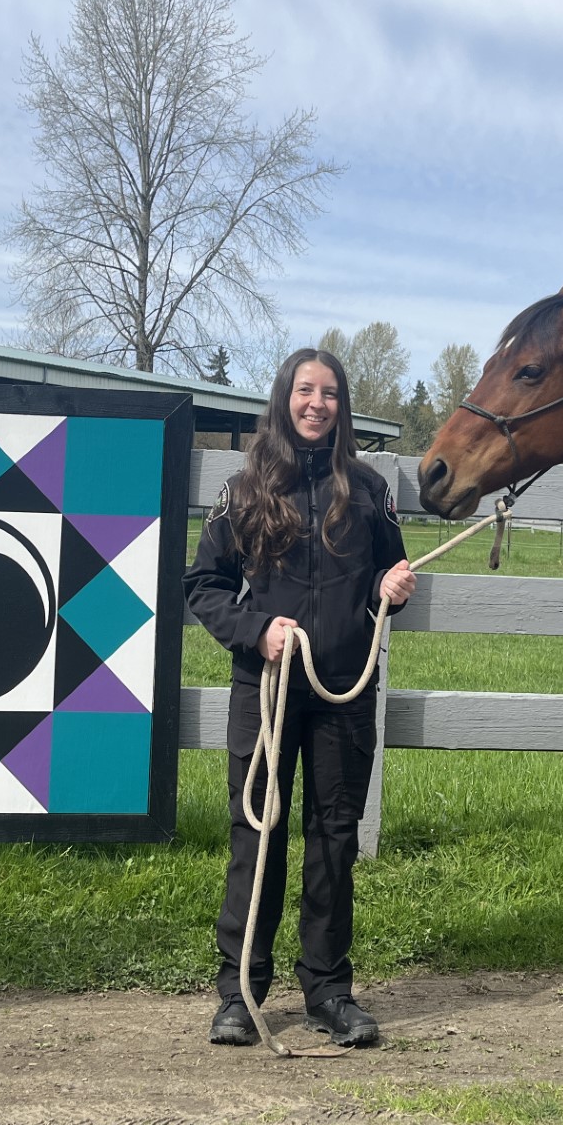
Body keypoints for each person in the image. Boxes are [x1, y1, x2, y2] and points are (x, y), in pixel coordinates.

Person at [185, 348, 415, 1047]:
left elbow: (391, 574)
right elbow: (204, 587)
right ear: (286, 398)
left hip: (344, 690)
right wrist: (256, 632)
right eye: (306, 391)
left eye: (331, 394)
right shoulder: (245, 489)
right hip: (268, 689)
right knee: (257, 834)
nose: (318, 404)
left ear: (342, 406)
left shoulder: (370, 490)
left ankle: (328, 989)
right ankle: (240, 990)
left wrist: (391, 590)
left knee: (335, 840)